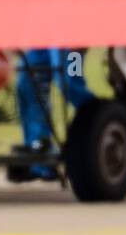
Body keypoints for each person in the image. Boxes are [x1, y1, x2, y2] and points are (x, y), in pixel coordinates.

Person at [11, 48, 94, 180]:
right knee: (27, 81)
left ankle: (102, 131)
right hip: (43, 35)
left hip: (71, 39)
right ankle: (39, 160)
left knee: (71, 83)